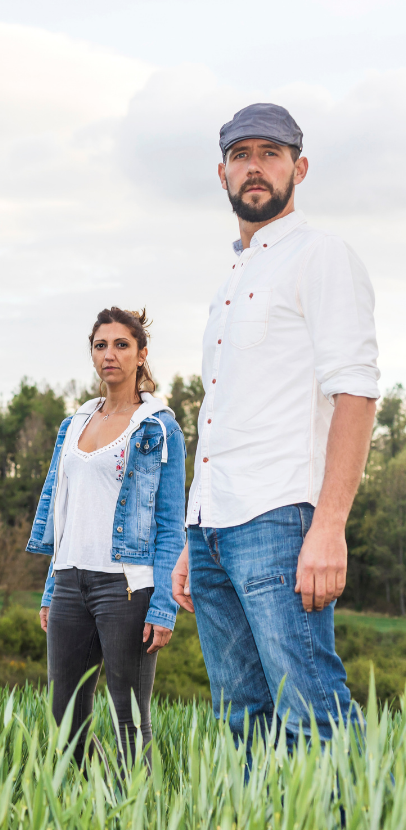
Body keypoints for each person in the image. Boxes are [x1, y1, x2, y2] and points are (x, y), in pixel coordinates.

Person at [170, 104, 379, 747]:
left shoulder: (322, 256)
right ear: (223, 173)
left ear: (300, 166)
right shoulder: (230, 280)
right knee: (241, 722)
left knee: (311, 709)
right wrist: (191, 532)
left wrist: (329, 528)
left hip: (281, 518)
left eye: (270, 152)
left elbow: (356, 392)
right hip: (213, 529)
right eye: (241, 155)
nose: (254, 167)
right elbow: (222, 415)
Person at [27, 308, 186, 768]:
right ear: (92, 354)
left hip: (127, 587)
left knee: (130, 719)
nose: (110, 354)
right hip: (71, 582)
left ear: (141, 355)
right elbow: (63, 512)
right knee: (64, 719)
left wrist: (163, 607)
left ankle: (138, 820)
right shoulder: (73, 425)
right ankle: (89, 808)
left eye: (121, 345)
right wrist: (51, 587)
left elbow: (170, 523)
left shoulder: (158, 428)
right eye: (101, 345)